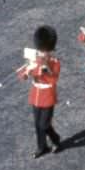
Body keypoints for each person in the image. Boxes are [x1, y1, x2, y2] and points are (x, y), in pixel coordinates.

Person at [18, 25, 61, 158]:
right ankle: (42, 147)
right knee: (38, 124)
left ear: (50, 49)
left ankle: (55, 138)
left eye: (45, 51)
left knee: (44, 124)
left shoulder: (54, 62)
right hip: (36, 95)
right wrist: (26, 71)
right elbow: (22, 76)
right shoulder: (34, 60)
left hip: (48, 96)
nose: (42, 54)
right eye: (41, 50)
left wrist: (45, 68)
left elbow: (53, 80)